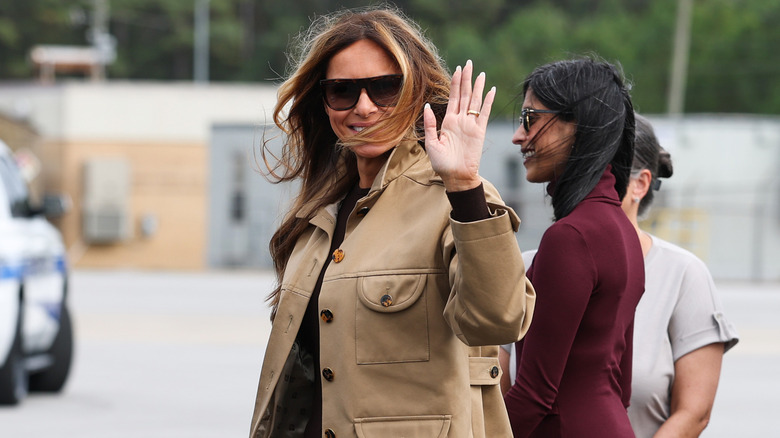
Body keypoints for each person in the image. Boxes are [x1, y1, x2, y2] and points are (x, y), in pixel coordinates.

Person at [248, 7, 535, 438]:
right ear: (323, 102)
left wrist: (463, 185)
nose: (363, 107)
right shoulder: (318, 213)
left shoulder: (458, 199)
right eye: (342, 91)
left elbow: (498, 321)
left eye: (385, 88)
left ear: (416, 93)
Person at [502, 57, 644, 438]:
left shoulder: (571, 237)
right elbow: (621, 387)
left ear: (579, 125)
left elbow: (534, 395)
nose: (518, 136)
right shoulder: (623, 230)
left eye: (530, 119)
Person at [623, 114, 739, 438]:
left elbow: (694, 412)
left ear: (640, 184)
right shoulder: (527, 268)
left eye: (598, 169)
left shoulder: (682, 274)